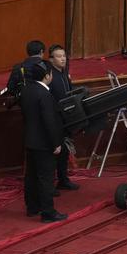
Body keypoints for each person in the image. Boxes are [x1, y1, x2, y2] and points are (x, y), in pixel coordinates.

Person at [21, 61, 66, 222]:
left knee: (31, 176)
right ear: (47, 76)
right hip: (44, 144)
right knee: (46, 178)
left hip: (30, 140)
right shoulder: (45, 95)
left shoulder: (26, 90)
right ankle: (48, 213)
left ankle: (32, 207)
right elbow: (49, 122)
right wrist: (55, 143)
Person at [47, 44, 79, 191]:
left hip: (66, 118)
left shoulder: (64, 73)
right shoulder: (50, 77)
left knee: (64, 151)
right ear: (51, 59)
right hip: (55, 120)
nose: (63, 59)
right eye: (59, 56)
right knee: (55, 152)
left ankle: (63, 179)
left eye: (64, 56)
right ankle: (50, 184)